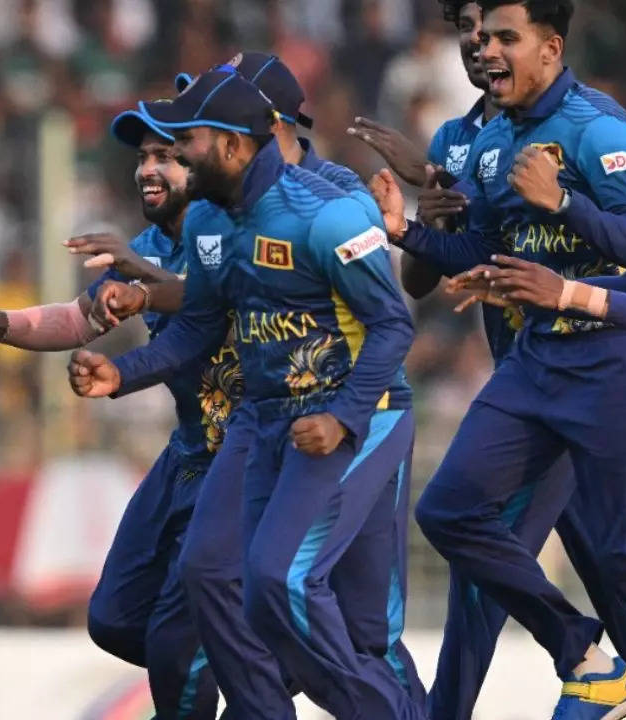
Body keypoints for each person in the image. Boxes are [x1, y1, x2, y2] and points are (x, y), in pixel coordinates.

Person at [68, 66, 424, 720]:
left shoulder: (328, 213)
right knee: (212, 575)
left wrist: (343, 418)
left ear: (233, 146)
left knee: (289, 585)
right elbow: (199, 325)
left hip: (352, 415)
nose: (177, 154)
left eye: (189, 141)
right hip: (263, 421)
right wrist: (124, 374)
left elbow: (393, 325)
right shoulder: (206, 219)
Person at [370, 0, 626, 715]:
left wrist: (563, 204)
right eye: (476, 34)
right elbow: (478, 247)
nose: (483, 47)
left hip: (608, 364)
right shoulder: (491, 140)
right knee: (448, 511)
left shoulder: (598, 127)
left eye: (502, 36)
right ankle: (581, 655)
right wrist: (407, 229)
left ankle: (598, 677)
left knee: (625, 568)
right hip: (529, 366)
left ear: (550, 48)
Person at [0, 108, 223, 718]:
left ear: (202, 159)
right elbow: (76, 318)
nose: (146, 170)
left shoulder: (232, 234)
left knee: (177, 636)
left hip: (247, 453)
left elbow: (207, 306)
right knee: (114, 618)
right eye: (141, 157)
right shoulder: (145, 247)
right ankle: (241, 662)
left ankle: (241, 675)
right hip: (190, 450)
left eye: (163, 156)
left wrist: (139, 308)